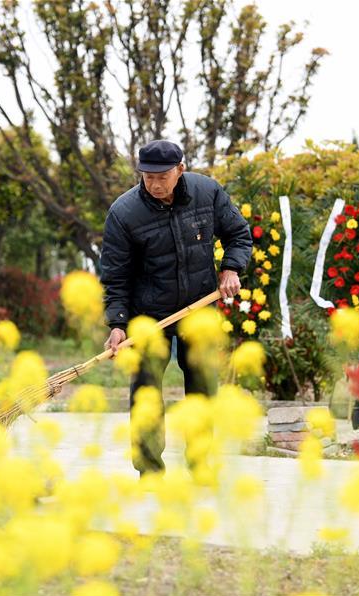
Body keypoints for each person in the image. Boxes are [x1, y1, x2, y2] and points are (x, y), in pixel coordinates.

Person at [99, 139, 252, 476]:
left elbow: (239, 234)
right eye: (148, 177)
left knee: (203, 387)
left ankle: (201, 464)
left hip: (199, 309)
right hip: (147, 316)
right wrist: (118, 323)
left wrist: (231, 268)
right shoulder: (124, 213)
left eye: (162, 177)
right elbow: (115, 275)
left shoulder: (206, 192)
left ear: (180, 170)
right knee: (146, 392)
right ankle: (150, 470)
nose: (154, 184)